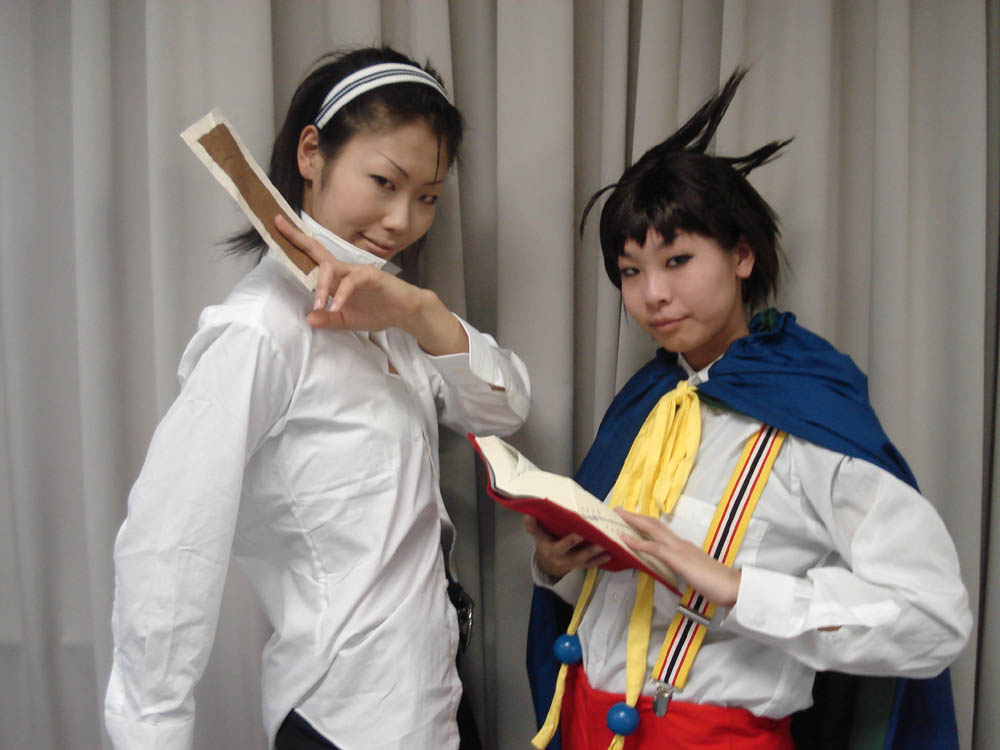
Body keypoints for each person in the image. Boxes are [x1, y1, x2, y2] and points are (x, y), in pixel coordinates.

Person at [524, 69, 971, 750]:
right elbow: (605, 602)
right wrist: (557, 565)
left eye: (678, 259)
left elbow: (932, 621)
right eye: (631, 271)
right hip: (587, 726)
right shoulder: (644, 403)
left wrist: (736, 588)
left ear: (741, 255)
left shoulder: (811, 414)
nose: (652, 294)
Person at [104, 46, 530, 750]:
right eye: (384, 182)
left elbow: (501, 408)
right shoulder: (259, 331)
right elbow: (170, 542)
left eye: (427, 197)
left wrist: (418, 311)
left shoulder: (386, 311)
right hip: (347, 719)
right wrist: (150, 731)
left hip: (438, 697)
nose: (401, 221)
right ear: (311, 154)